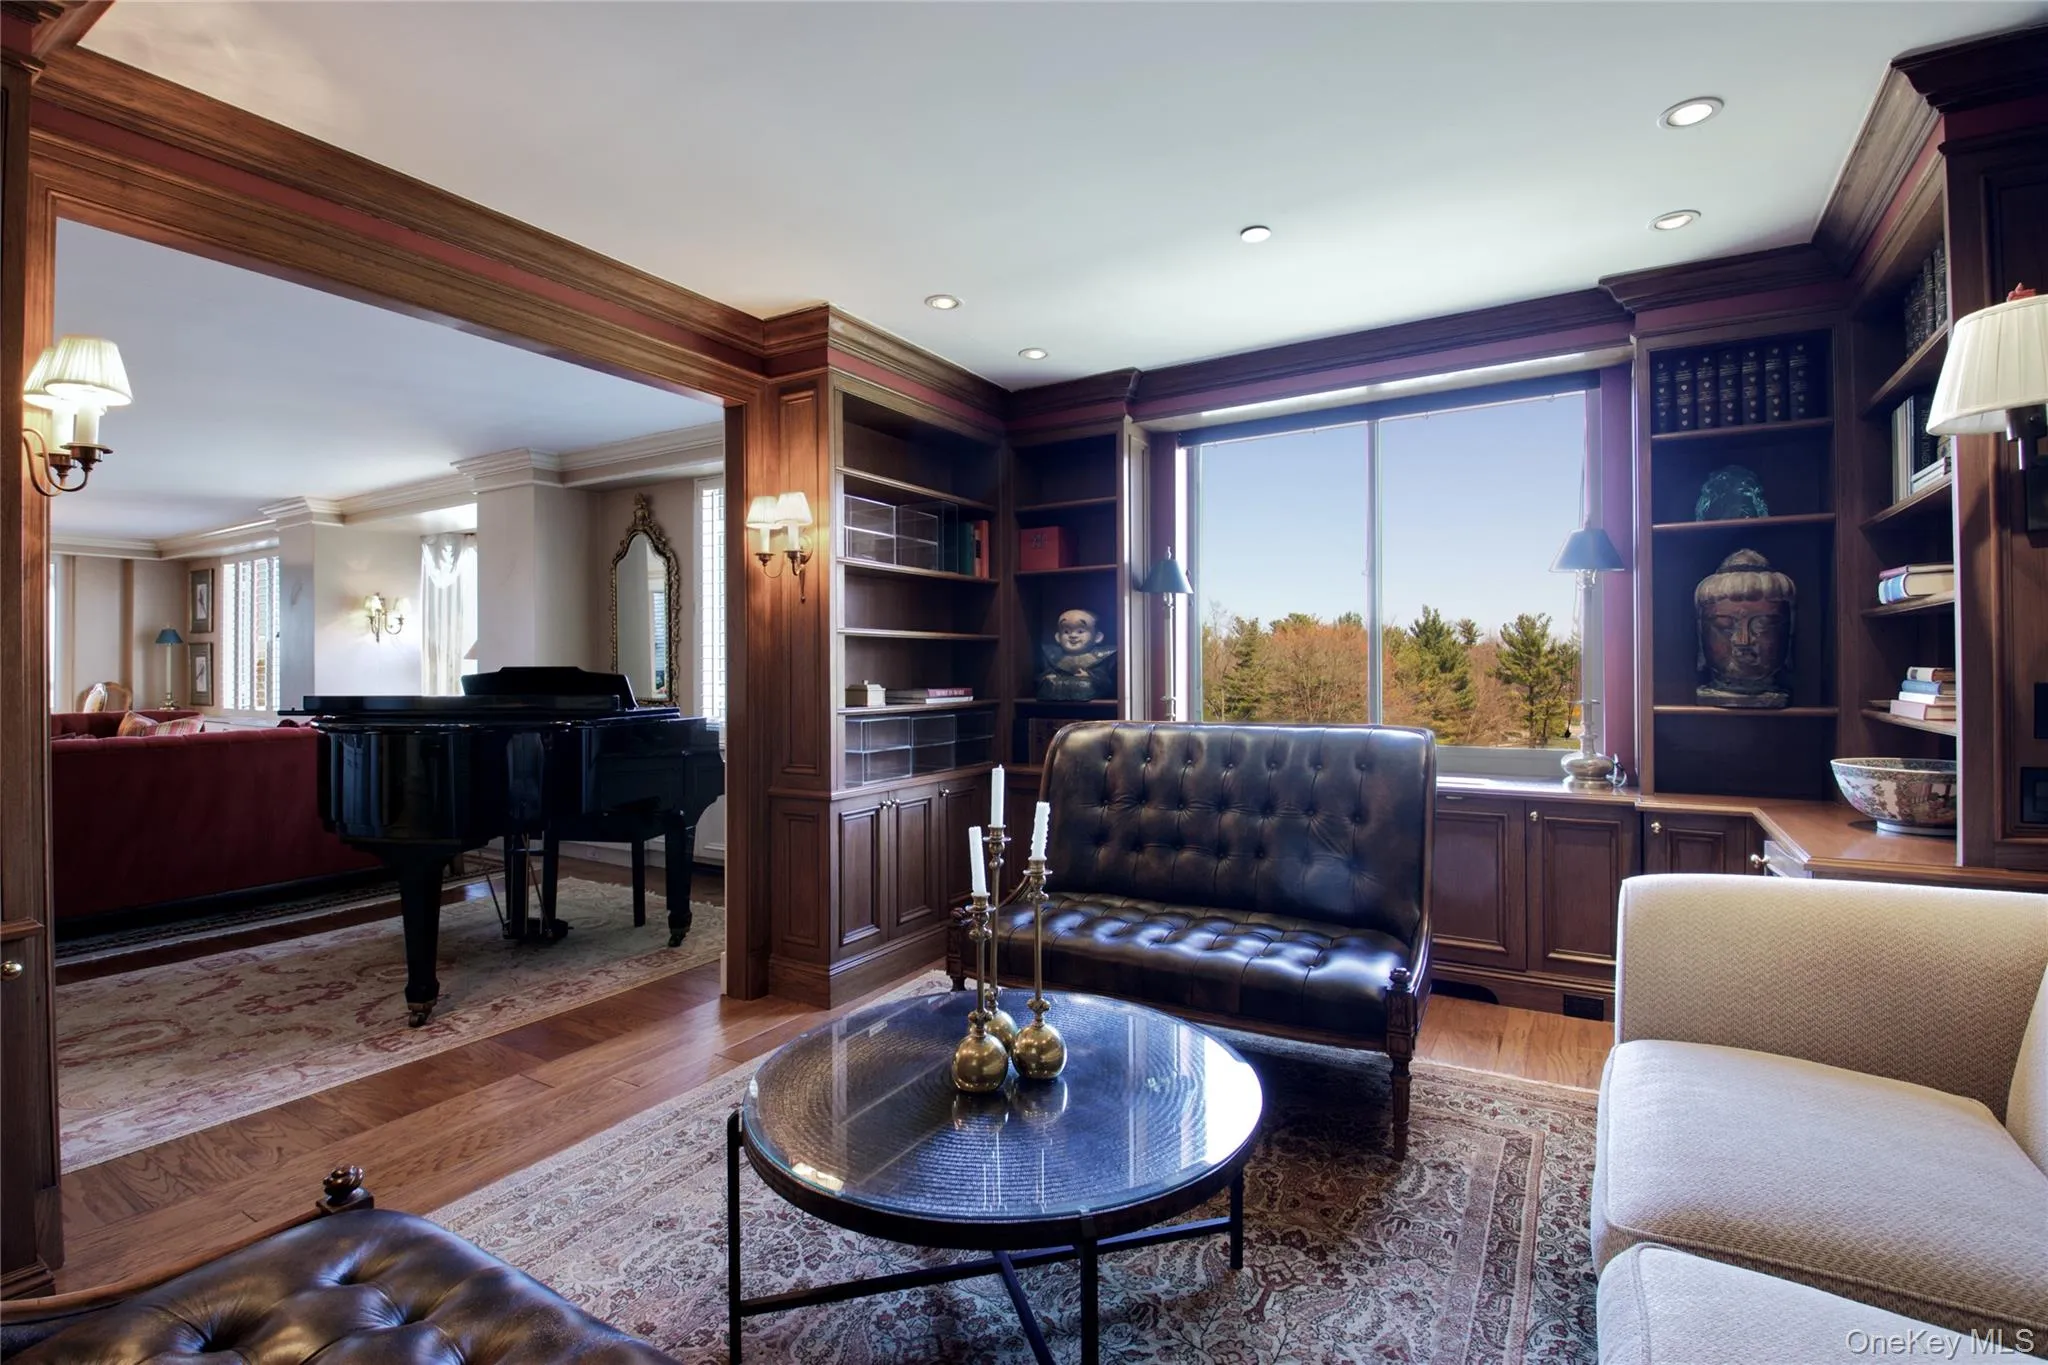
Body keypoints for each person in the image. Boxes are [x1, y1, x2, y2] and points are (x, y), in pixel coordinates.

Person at [1036, 607, 1116, 701]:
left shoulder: (1105, 657)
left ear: (1097, 637)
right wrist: (1047, 678)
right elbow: (1038, 680)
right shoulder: (1051, 656)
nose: (1073, 636)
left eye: (1080, 631)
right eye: (1066, 631)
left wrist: (1090, 676)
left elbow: (1107, 683)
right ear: (1058, 637)